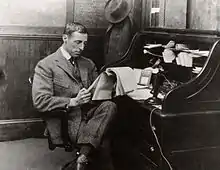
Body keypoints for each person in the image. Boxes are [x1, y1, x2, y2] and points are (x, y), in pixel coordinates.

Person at [32, 22, 117, 170]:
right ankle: (82, 158)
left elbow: (98, 92)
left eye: (84, 43)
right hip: (69, 119)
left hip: (92, 114)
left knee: (110, 106)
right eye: (77, 42)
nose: (82, 48)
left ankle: (81, 158)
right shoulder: (46, 65)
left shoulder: (88, 64)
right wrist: (72, 101)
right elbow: (40, 101)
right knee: (103, 141)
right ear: (65, 38)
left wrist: (109, 87)